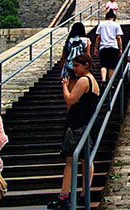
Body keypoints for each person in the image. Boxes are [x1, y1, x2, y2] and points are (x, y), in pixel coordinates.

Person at [47, 54, 100, 210]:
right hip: (87, 124)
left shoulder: (84, 81)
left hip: (78, 124)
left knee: (71, 161)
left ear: (86, 65)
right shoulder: (92, 81)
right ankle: (84, 194)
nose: (74, 68)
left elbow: (70, 100)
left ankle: (64, 195)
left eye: (77, 65)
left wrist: (64, 85)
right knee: (85, 160)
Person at [94, 10, 123, 83]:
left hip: (103, 47)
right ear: (114, 17)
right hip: (113, 47)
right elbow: (118, 37)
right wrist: (120, 48)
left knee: (103, 65)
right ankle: (111, 83)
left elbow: (98, 37)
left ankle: (103, 79)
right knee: (112, 67)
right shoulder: (116, 25)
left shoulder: (101, 24)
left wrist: (96, 48)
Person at [60, 22, 91, 91]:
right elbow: (88, 55)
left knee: (72, 81)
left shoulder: (69, 41)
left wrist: (62, 69)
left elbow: (63, 57)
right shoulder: (86, 40)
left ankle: (72, 98)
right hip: (81, 65)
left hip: (70, 65)